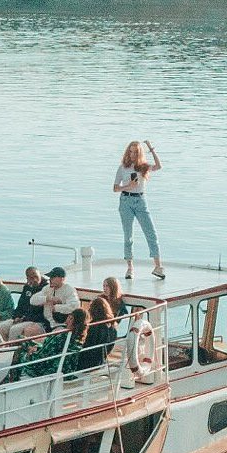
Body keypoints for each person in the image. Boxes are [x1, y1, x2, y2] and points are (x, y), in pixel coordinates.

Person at [113, 139, 165, 280]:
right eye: (131, 151)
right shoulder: (122, 168)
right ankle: (130, 268)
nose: (132, 155)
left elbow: (159, 166)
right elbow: (115, 188)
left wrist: (150, 148)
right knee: (128, 236)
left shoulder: (143, 167)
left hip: (141, 201)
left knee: (151, 233)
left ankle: (158, 266)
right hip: (126, 201)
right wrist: (127, 186)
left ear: (139, 153)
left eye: (136, 152)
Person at [12, 305, 86, 381]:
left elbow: (43, 355)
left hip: (46, 368)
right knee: (26, 342)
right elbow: (51, 350)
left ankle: (12, 381)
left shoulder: (62, 336)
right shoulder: (78, 339)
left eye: (69, 317)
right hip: (65, 369)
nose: (67, 319)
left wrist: (29, 352)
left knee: (20, 350)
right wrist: (36, 347)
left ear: (72, 319)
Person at [72, 297, 119, 372]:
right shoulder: (113, 326)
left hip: (87, 362)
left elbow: (88, 345)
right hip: (100, 360)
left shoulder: (94, 326)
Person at [9, 266, 50, 339]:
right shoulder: (27, 288)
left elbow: (44, 314)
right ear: (27, 278)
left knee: (14, 330)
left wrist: (24, 319)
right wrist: (17, 316)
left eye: (36, 277)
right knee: (1, 327)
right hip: (24, 318)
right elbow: (20, 306)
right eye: (31, 278)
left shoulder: (46, 289)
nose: (34, 280)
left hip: (38, 321)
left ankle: (10, 350)